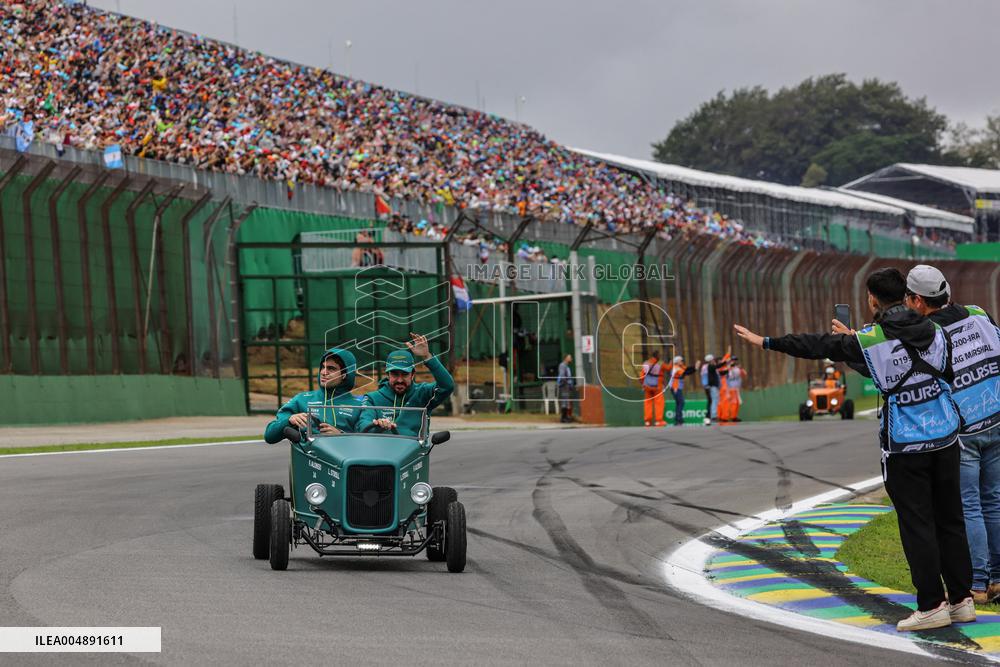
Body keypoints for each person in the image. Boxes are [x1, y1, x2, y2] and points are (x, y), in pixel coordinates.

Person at [735, 267, 974, 632]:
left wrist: (766, 341)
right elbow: (943, 371)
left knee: (918, 525)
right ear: (907, 296)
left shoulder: (868, 339)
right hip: (946, 438)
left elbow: (816, 345)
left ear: (873, 300)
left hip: (906, 445)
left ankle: (931, 605)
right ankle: (961, 600)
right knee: (950, 519)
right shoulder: (937, 330)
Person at [901, 265, 1000, 604]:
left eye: (908, 298)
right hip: (996, 415)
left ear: (918, 300)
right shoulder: (978, 314)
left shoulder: (926, 332)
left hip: (963, 426)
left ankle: (977, 583)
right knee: (994, 500)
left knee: (968, 505)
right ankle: (998, 579)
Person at [357, 333, 455, 437]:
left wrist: (427, 356)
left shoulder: (423, 393)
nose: (399, 380)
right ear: (388, 374)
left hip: (415, 447)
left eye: (404, 374)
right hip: (382, 447)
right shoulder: (372, 398)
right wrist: (377, 424)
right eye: (395, 374)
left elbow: (447, 386)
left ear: (412, 374)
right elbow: (363, 425)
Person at [264, 348, 361, 442]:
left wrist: (342, 436)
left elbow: (366, 444)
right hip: (308, 453)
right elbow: (269, 436)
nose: (323, 372)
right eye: (322, 367)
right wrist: (289, 420)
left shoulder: (359, 405)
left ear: (344, 374)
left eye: (331, 368)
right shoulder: (302, 399)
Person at [667, 355, 697, 426]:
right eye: (681, 361)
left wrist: (695, 367)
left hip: (678, 387)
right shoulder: (676, 367)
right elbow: (686, 373)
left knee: (679, 403)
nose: (682, 362)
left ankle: (679, 420)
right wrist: (695, 369)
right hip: (675, 387)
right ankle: (678, 419)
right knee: (681, 402)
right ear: (677, 362)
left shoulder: (680, 366)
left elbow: (688, 368)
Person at [640, 351, 666, 427]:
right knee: (659, 403)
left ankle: (647, 422)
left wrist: (643, 384)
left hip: (647, 386)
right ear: (657, 356)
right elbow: (663, 373)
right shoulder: (660, 364)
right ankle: (658, 421)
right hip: (657, 387)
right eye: (659, 355)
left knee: (648, 403)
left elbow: (642, 375)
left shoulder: (646, 363)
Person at [721, 358, 744, 422]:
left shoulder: (735, 369)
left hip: (733, 388)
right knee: (732, 403)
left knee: (735, 403)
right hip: (731, 388)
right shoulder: (730, 369)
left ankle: (732, 416)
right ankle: (727, 417)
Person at [557, 354, 575, 423]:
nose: (571, 359)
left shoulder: (567, 366)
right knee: (564, 401)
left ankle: (566, 417)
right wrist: (567, 382)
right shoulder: (562, 365)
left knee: (566, 401)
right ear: (565, 358)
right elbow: (562, 376)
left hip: (567, 386)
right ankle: (563, 418)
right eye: (569, 357)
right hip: (564, 386)